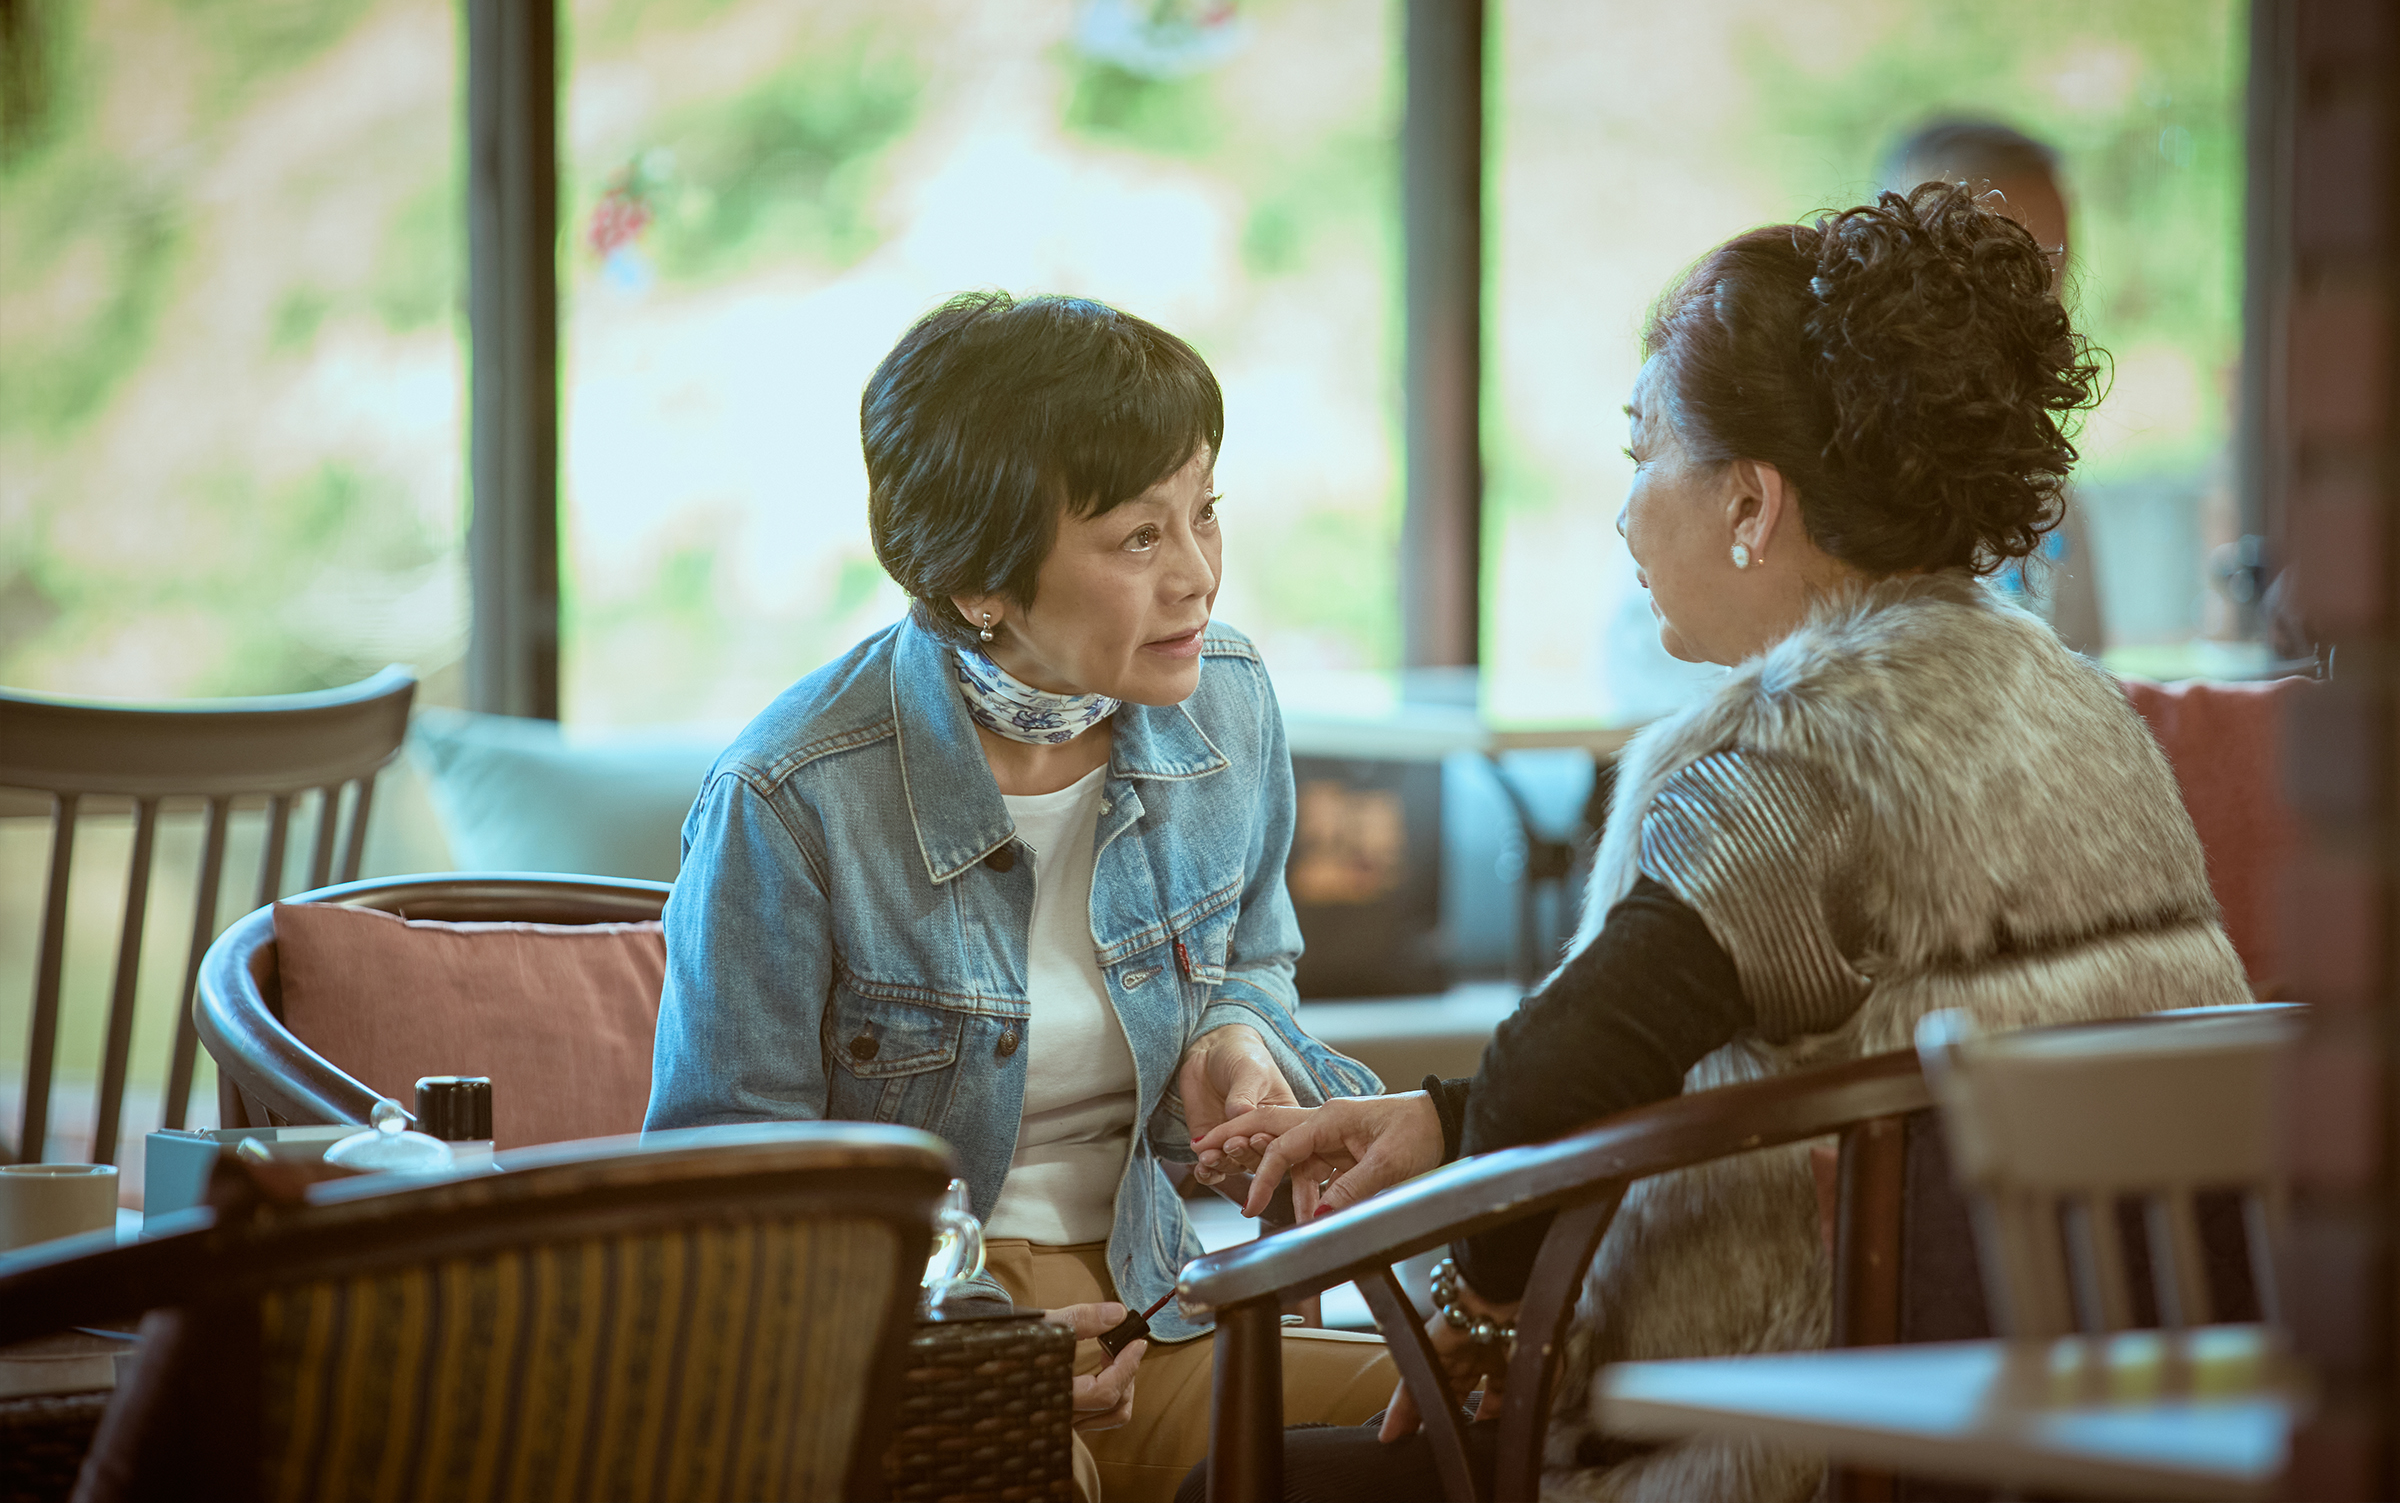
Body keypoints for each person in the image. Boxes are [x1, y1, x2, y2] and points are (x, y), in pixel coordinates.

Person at [1181, 185, 2252, 1502]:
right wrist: (1450, 1118)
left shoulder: (1804, 753)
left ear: (1750, 501)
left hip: (1814, 1436)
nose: (1627, 516)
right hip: (2110, 1406)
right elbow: (1599, 1063)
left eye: (1643, 458)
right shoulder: (2063, 697)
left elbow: (1583, 1057)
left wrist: (1480, 1321)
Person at [646, 291, 1396, 1503]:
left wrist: (1235, 1035)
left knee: (1469, 1414)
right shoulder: (788, 799)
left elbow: (1254, 958)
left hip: (1157, 1306)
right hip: (899, 1357)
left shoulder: (1231, 702)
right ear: (978, 578)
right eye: (1138, 540)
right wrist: (971, 1349)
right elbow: (733, 1203)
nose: (1198, 578)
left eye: (1204, 515)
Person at [1885, 117, 2108, 656]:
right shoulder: (1814, 477)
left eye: (2055, 273)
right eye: (2003, 270)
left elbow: (2092, 684)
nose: (2044, 307)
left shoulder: (2047, 488)